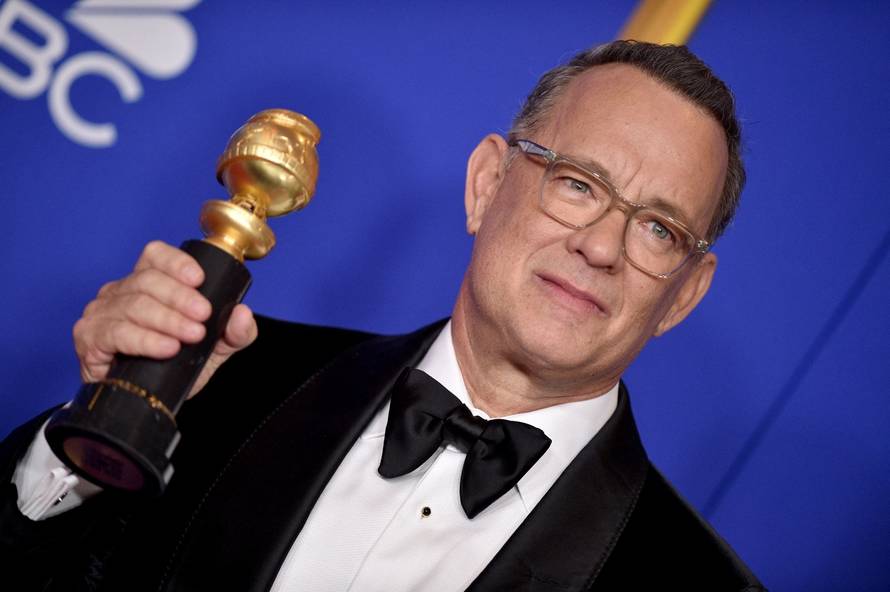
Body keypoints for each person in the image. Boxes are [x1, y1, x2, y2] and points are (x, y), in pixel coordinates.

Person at [1, 41, 765, 591]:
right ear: (486, 183)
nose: (601, 246)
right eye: (577, 184)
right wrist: (96, 429)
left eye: (658, 229)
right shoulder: (232, 374)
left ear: (685, 294)